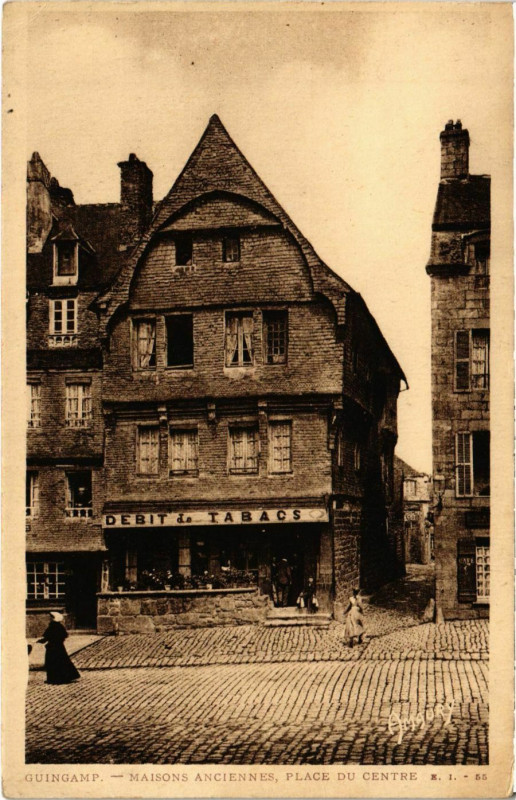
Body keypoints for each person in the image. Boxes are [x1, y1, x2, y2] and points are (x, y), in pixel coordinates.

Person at [37, 612, 80, 685]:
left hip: (52, 648)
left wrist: (40, 641)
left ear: (54, 618)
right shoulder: (60, 626)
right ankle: (65, 677)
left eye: (51, 617)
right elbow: (64, 635)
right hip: (60, 647)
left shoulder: (52, 626)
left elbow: (47, 637)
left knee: (52, 662)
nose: (50, 618)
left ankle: (53, 679)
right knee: (62, 661)